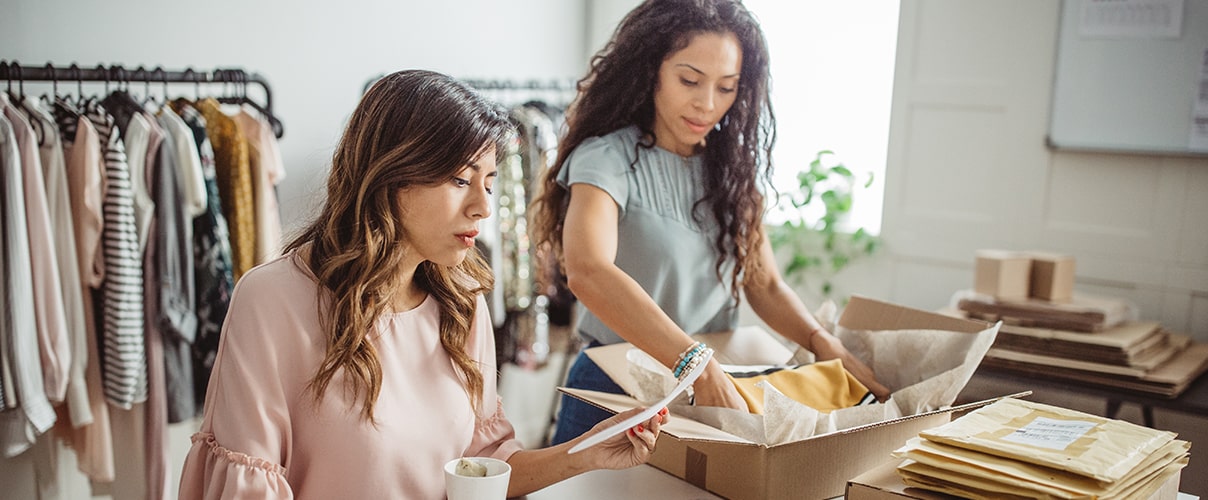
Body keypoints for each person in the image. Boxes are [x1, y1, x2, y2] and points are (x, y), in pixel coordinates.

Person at [177, 69, 666, 499]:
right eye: (459, 179)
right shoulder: (271, 301)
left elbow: (483, 466)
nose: (483, 207)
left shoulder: (462, 301)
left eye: (490, 183)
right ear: (392, 174)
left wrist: (588, 450)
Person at [532, 0, 891, 445]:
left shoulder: (732, 173)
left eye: (727, 87)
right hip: (616, 381)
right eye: (689, 80)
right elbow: (589, 271)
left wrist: (822, 342)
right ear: (651, 72)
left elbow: (764, 283)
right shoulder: (605, 159)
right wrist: (694, 364)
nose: (706, 103)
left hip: (714, 384)